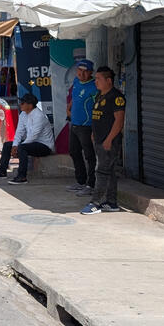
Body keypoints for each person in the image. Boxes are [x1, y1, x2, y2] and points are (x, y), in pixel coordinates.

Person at [81, 65, 125, 214]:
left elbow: (119, 121)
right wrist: (94, 134)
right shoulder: (100, 95)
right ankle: (111, 202)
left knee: (102, 171)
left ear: (109, 81)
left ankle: (96, 202)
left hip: (109, 141)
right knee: (109, 171)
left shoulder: (116, 97)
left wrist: (109, 139)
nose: (96, 81)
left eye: (99, 79)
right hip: (99, 140)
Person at [0, 94, 54, 184]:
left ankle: (22, 177)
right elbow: (19, 132)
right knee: (7, 145)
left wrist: (18, 147)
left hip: (44, 146)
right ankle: (2, 171)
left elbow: (33, 136)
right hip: (31, 143)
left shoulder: (39, 116)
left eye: (23, 103)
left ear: (30, 105)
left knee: (22, 148)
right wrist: (14, 145)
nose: (20, 104)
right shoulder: (23, 114)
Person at [66, 59, 99, 195]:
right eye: (80, 70)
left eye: (85, 71)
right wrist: (69, 108)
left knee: (90, 156)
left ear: (91, 72)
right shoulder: (76, 81)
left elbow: (98, 106)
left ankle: (91, 185)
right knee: (74, 152)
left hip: (87, 126)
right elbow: (74, 97)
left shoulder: (94, 86)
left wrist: (95, 128)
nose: (82, 73)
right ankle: (80, 181)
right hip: (75, 124)